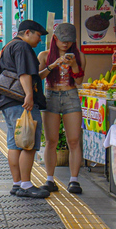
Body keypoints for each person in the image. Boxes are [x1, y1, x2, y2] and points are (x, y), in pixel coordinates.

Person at [0, 19, 49, 199]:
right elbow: (24, 73)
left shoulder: (7, 47)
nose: (39, 41)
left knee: (14, 143)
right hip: (21, 102)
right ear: (27, 33)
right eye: (38, 36)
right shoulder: (23, 48)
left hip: (8, 101)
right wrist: (29, 95)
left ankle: (17, 183)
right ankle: (26, 184)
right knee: (28, 143)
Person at [38, 23, 86, 194]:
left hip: (71, 96)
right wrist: (53, 65)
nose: (66, 44)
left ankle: (74, 180)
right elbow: (38, 78)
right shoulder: (44, 55)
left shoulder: (79, 56)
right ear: (55, 39)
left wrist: (73, 65)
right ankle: (49, 179)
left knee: (74, 140)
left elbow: (79, 82)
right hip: (51, 96)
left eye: (70, 41)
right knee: (51, 141)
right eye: (63, 41)